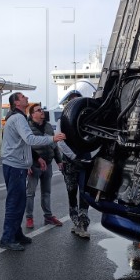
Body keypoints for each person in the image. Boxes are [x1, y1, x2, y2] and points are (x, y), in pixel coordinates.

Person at [0, 92, 66, 251]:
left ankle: (17, 234)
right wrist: (52, 139)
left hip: (16, 165)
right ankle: (7, 238)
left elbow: (24, 143)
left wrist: (35, 158)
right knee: (14, 203)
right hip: (15, 166)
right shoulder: (18, 118)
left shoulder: (15, 117)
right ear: (16, 103)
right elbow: (30, 139)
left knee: (19, 202)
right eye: (22, 97)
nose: (26, 98)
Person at [56, 91, 92, 239]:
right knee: (72, 192)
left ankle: (83, 224)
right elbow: (60, 141)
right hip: (70, 162)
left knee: (85, 193)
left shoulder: (88, 120)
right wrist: (73, 157)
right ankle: (75, 221)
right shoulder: (62, 121)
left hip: (86, 161)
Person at [25, 103, 64, 229]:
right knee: (30, 193)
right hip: (34, 165)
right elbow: (25, 146)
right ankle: (29, 218)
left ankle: (48, 216)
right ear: (32, 114)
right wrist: (28, 164)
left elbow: (54, 144)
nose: (42, 112)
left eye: (42, 109)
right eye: (38, 110)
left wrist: (59, 160)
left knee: (46, 192)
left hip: (47, 164)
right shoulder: (27, 127)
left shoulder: (47, 126)